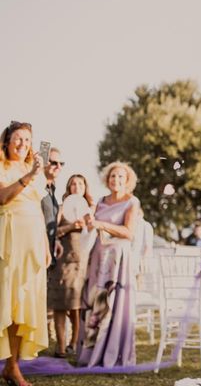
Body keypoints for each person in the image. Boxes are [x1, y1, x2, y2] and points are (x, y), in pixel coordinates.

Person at [0, 121, 50, 386]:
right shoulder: (2, 166)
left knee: (25, 304)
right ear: (7, 141)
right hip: (8, 243)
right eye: (18, 139)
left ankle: (12, 367)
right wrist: (28, 176)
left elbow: (39, 210)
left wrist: (45, 245)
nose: (23, 144)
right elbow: (3, 197)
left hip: (32, 242)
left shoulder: (35, 171)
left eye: (27, 140)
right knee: (7, 302)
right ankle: (9, 365)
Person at [77, 161, 139, 367]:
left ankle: (111, 353)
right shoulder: (100, 200)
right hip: (97, 257)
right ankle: (90, 354)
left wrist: (101, 224)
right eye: (113, 176)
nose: (116, 180)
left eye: (121, 176)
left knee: (112, 304)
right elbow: (90, 225)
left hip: (117, 260)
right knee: (93, 302)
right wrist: (87, 221)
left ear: (127, 180)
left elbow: (129, 233)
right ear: (107, 178)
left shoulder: (132, 202)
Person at [47, 174, 95, 358]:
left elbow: (96, 234)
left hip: (81, 262)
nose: (76, 186)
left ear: (85, 187)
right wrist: (70, 227)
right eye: (73, 184)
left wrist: (87, 226)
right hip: (61, 261)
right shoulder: (61, 208)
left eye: (80, 183)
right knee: (59, 304)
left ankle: (73, 343)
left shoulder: (90, 209)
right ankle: (60, 346)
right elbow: (54, 233)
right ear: (69, 187)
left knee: (75, 305)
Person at [41, 147, 64, 269]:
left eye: (61, 163)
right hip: (35, 251)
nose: (58, 167)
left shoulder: (52, 191)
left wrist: (56, 240)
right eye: (54, 163)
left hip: (48, 254)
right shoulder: (36, 187)